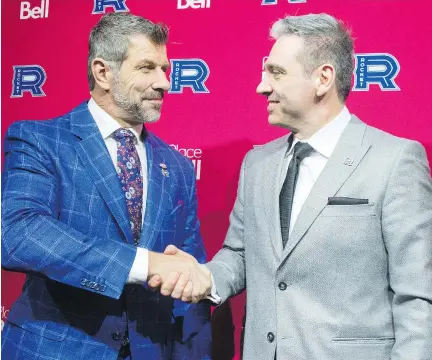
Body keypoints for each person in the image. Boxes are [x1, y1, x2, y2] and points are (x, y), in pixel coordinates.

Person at [152, 13, 432, 360]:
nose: (261, 86)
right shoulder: (257, 163)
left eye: (276, 72)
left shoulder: (394, 160)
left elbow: (418, 296)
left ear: (323, 78)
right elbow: (240, 254)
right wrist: (206, 278)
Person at [1, 12, 211, 360]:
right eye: (147, 67)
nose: (164, 83)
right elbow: (18, 233)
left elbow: (190, 271)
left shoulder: (178, 167)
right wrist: (145, 264)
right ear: (103, 73)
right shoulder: (40, 140)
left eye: (165, 69)